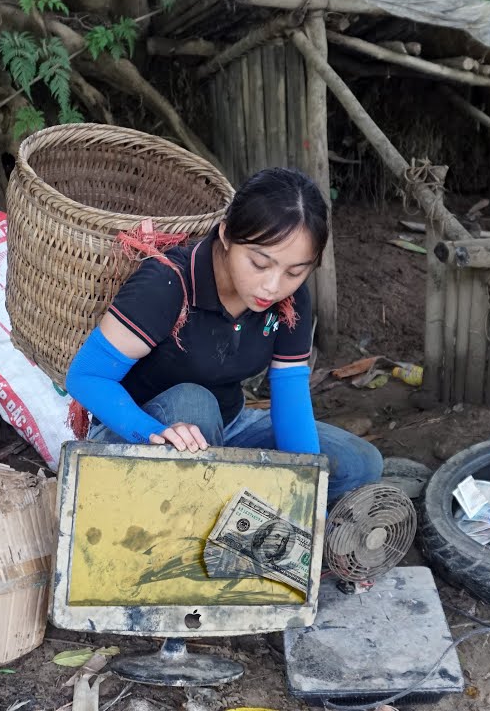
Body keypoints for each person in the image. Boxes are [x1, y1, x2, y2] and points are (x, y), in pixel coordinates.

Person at [64, 167, 382, 504]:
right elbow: (85, 377)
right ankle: (211, 508)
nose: (272, 287)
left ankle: (229, 501)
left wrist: (304, 486)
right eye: (259, 263)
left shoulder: (290, 300)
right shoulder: (167, 284)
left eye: (294, 271)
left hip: (229, 428)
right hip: (136, 430)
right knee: (195, 403)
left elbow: (290, 397)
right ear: (227, 235)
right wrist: (152, 431)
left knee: (357, 464)